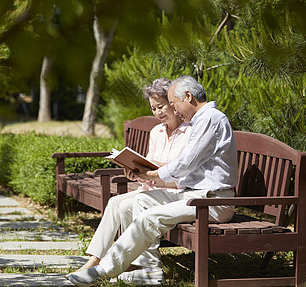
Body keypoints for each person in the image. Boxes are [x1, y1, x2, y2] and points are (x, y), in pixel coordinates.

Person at [67, 75, 238, 286]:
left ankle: (104, 270)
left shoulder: (211, 118)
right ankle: (149, 270)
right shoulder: (203, 119)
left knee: (150, 216)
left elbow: (186, 163)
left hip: (212, 201)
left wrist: (152, 174)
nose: (175, 110)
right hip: (195, 195)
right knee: (141, 201)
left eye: (174, 104)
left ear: (188, 97)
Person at [70, 78, 191, 275]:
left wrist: (150, 173)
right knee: (116, 202)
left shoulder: (189, 133)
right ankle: (96, 258)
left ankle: (139, 264)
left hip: (173, 193)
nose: (157, 113)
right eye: (153, 109)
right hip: (152, 189)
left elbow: (181, 172)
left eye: (161, 106)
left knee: (128, 205)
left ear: (173, 102)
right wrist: (134, 173)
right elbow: (148, 168)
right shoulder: (156, 132)